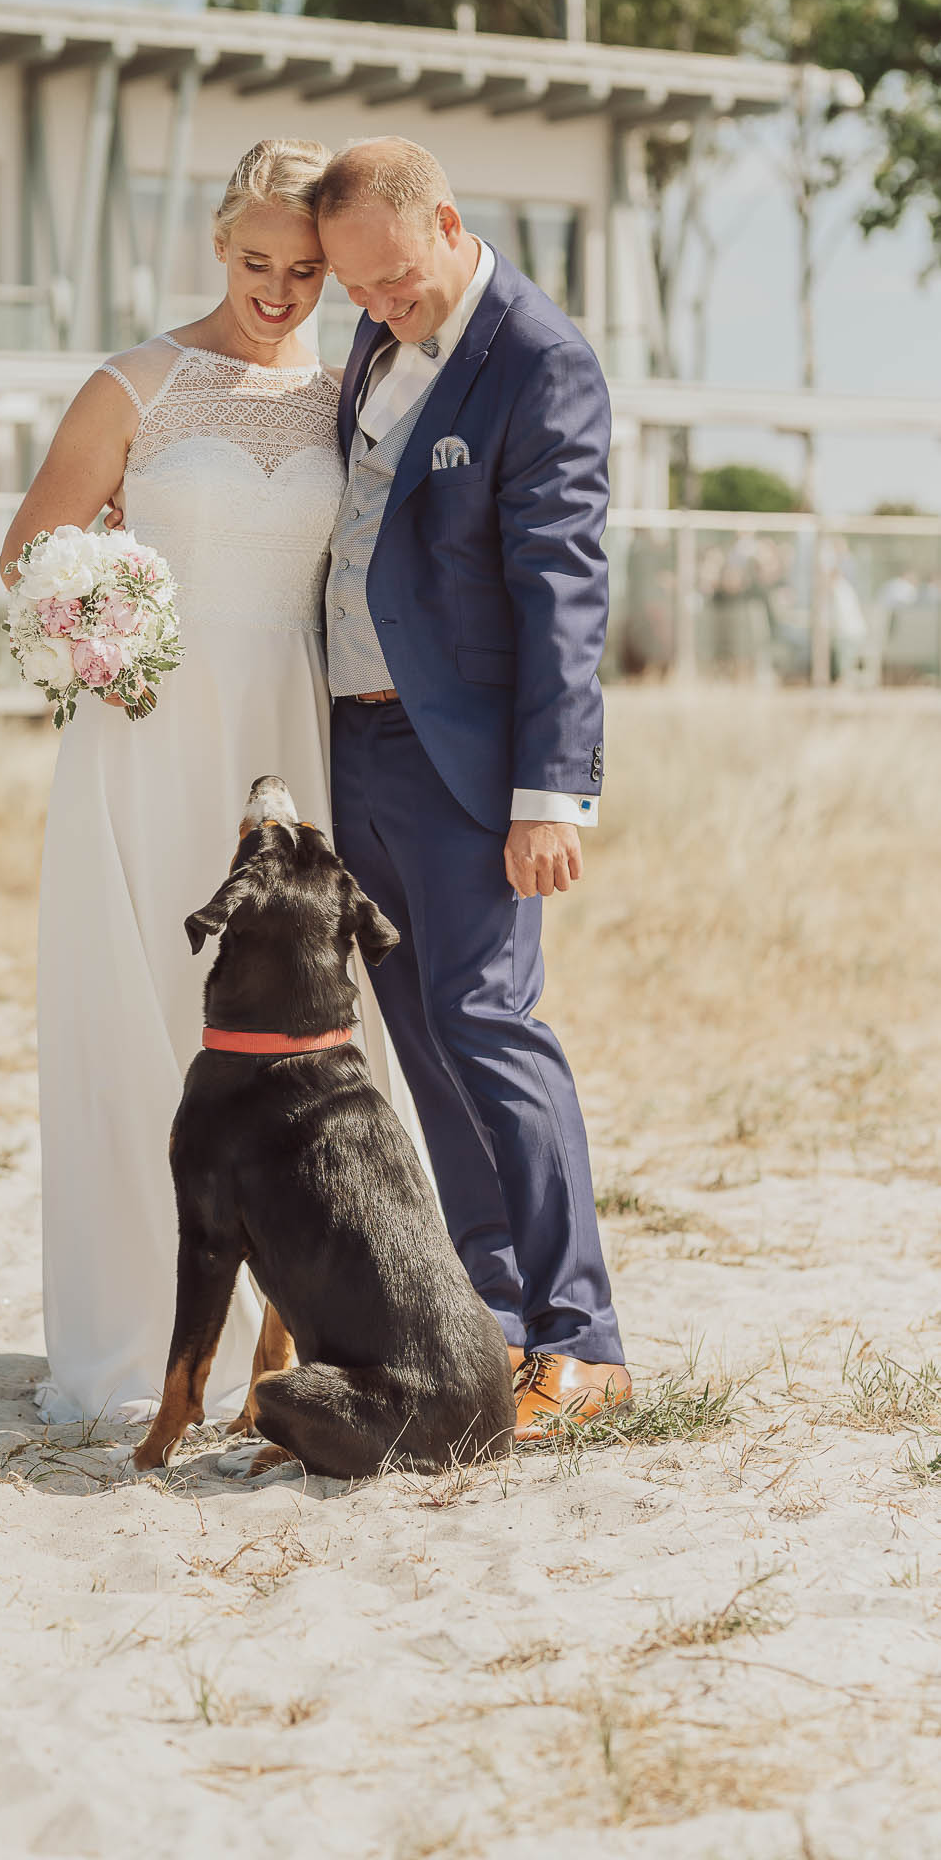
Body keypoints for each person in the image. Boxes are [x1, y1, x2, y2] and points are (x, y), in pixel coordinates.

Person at [0, 137, 410, 1425]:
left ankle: (297, 1341)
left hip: (290, 732)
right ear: (215, 241)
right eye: (256, 264)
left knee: (297, 1040)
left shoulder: (352, 391)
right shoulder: (135, 384)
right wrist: (104, 624)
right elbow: (32, 556)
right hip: (148, 738)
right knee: (149, 1022)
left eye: (306, 273)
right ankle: (143, 1342)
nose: (280, 293)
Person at [314, 139, 630, 1439]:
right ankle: (491, 1315)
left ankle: (585, 1336)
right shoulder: (379, 343)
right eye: (362, 295)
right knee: (424, 1036)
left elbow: (565, 586)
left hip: (470, 765)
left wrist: (551, 793)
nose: (384, 308)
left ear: (447, 223)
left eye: (397, 280)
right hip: (356, 746)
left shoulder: (540, 360)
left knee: (491, 1025)